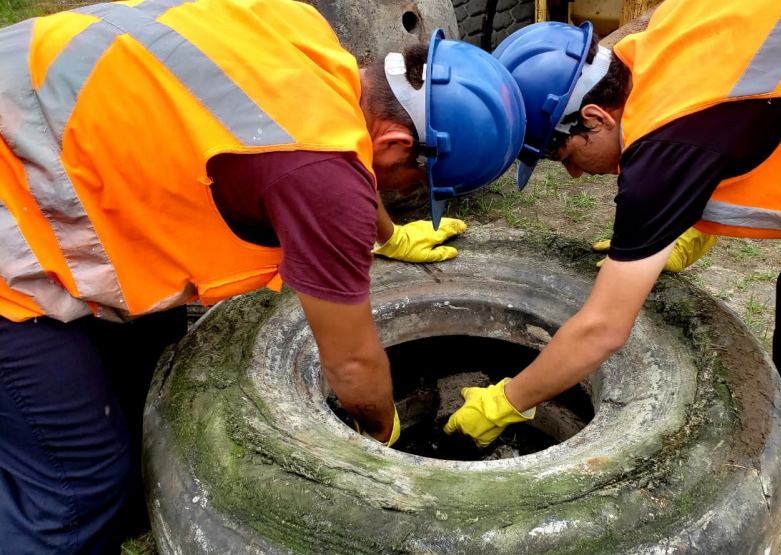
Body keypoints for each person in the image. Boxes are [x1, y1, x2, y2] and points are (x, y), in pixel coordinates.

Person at [0, 0, 526, 552]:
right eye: (414, 183)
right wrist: (380, 437)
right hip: (17, 198)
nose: (405, 194)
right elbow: (349, 361)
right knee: (75, 482)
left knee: (142, 372)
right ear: (397, 144)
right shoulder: (320, 174)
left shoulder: (312, 44)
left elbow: (335, 148)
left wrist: (388, 235)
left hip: (40, 115)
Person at [444, 0, 781, 549]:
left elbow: (602, 329)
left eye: (561, 152)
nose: (571, 173)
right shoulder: (652, 49)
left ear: (595, 118)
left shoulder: (664, 152)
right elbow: (748, 108)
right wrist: (696, 214)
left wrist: (507, 399)